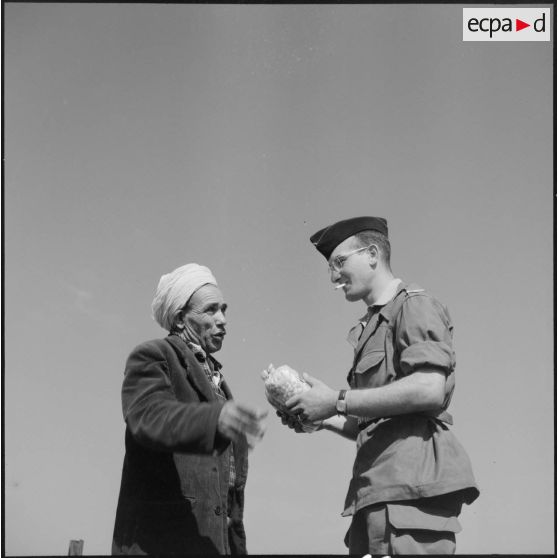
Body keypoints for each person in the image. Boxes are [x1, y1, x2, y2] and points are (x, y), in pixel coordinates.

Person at [279, 216, 479, 555]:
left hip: (409, 497)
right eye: (330, 267)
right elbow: (373, 420)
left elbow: (430, 387)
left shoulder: (414, 305)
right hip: (377, 495)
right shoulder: (371, 325)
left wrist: (337, 400)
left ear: (372, 254)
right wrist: (322, 416)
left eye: (339, 262)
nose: (333, 276)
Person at [112, 263, 267, 555]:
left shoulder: (218, 383)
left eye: (224, 309)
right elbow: (147, 417)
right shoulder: (154, 356)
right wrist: (215, 419)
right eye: (210, 310)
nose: (223, 320)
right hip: (161, 545)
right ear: (181, 319)